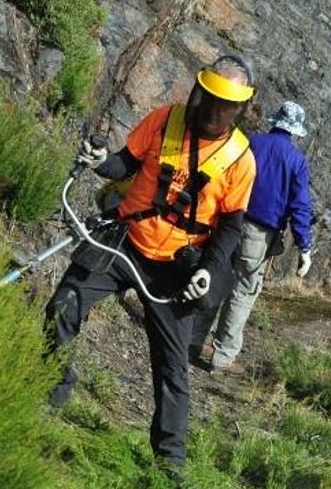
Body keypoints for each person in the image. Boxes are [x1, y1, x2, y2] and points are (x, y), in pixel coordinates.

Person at [43, 55, 257, 470]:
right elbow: (125, 162)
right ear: (199, 92)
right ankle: (53, 388)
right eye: (208, 99)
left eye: (223, 105)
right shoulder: (165, 120)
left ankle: (169, 464)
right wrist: (99, 160)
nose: (213, 111)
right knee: (62, 306)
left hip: (175, 270)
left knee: (173, 370)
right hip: (123, 243)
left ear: (238, 109)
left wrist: (207, 271)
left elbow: (231, 228)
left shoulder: (240, 159)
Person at [190, 101, 314, 375]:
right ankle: (222, 357)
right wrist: (304, 247)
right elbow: (300, 207)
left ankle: (193, 339)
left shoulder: (249, 143)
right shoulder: (296, 162)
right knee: (243, 292)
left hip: (226, 222)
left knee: (213, 276)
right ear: (295, 130)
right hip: (259, 236)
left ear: (275, 120)